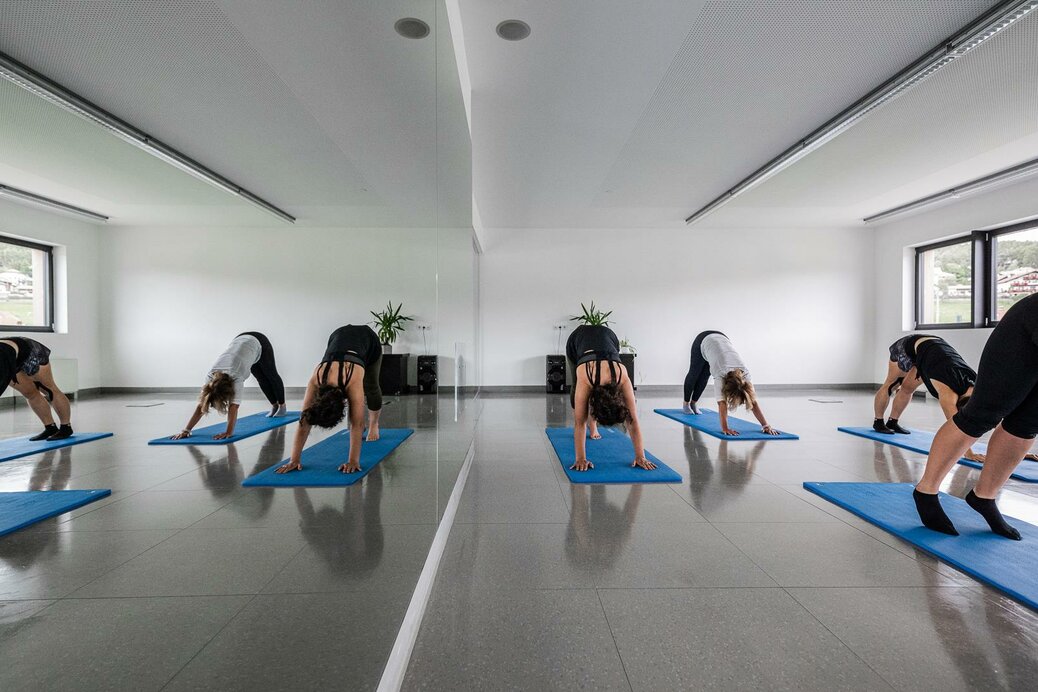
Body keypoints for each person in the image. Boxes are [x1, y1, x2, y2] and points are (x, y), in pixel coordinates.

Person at [914, 293, 1038, 540]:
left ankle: (984, 497)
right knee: (980, 415)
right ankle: (926, 491)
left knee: (1026, 424)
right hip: (1023, 333)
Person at [277, 325, 382, 475]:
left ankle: (374, 424)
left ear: (344, 402)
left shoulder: (352, 378)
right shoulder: (316, 379)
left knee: (372, 387)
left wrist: (353, 461)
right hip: (337, 335)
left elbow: (357, 423)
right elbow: (304, 419)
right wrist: (294, 459)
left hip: (368, 340)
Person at [566, 324, 655, 472]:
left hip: (609, 336)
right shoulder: (585, 376)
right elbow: (580, 423)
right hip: (577, 339)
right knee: (576, 391)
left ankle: (593, 426)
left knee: (584, 396)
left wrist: (641, 456)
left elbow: (632, 420)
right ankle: (593, 426)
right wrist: (580, 458)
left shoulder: (622, 376)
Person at [171, 332, 287, 441]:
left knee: (271, 374)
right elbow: (201, 405)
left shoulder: (236, 378)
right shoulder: (210, 377)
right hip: (240, 341)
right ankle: (274, 406)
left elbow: (233, 407)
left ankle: (282, 406)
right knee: (261, 378)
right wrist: (186, 430)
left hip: (258, 341)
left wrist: (228, 432)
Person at [681, 330, 779, 436]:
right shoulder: (720, 374)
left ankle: (693, 403)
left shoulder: (745, 375)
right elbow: (722, 403)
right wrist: (725, 428)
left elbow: (753, 402)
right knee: (694, 373)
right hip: (703, 340)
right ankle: (686, 404)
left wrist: (765, 425)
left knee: (704, 376)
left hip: (722, 338)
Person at [0, 337, 74, 441]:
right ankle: (50, 428)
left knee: (49, 390)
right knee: (29, 393)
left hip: (30, 350)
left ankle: (66, 427)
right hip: (12, 358)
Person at [872, 334, 935, 434]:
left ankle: (893, 422)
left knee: (908, 388)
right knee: (892, 384)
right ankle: (878, 422)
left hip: (925, 354)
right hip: (906, 347)